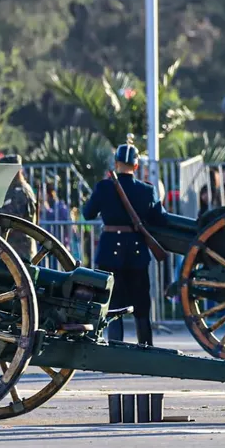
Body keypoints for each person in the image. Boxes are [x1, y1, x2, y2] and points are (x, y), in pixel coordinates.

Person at [82, 135, 168, 346]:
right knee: (141, 302)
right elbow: (159, 219)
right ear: (136, 166)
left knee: (112, 302)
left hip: (110, 250)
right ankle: (146, 347)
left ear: (117, 164)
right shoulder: (147, 190)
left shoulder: (104, 187)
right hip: (137, 252)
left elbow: (88, 214)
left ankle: (115, 347)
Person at [0, 154, 39, 262]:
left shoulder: (20, 191)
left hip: (19, 252)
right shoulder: (14, 189)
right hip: (13, 250)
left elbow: (10, 221)